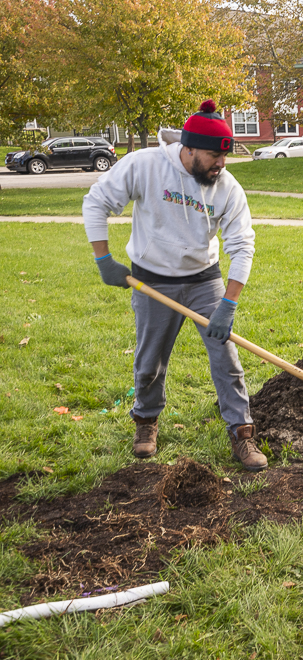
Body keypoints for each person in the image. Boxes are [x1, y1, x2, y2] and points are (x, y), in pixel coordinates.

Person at [82, 100, 267, 471]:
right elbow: (96, 202)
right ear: (190, 148)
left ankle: (242, 433)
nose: (221, 164)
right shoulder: (145, 166)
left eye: (225, 157)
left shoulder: (227, 187)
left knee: (226, 358)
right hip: (151, 278)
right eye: (214, 156)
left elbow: (242, 245)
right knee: (150, 362)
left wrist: (228, 304)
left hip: (204, 280)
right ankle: (146, 422)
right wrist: (104, 259)